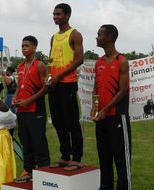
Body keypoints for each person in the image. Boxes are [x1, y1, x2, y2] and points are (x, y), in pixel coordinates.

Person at [91, 24, 131, 190]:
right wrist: (94, 107)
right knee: (104, 157)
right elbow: (95, 87)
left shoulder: (121, 61)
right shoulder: (98, 62)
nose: (96, 37)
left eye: (99, 35)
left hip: (116, 116)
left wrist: (105, 109)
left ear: (108, 37)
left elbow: (123, 90)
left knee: (121, 159)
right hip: (101, 117)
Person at [48, 3, 84, 171]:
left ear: (68, 15)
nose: (55, 17)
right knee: (58, 121)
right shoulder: (54, 37)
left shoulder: (74, 34)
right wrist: (49, 77)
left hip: (68, 83)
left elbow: (79, 59)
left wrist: (59, 76)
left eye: (59, 14)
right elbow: (51, 60)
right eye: (54, 14)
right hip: (54, 84)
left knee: (71, 122)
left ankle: (76, 157)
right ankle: (65, 155)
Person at [13, 35, 50, 182]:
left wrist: (28, 101)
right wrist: (15, 98)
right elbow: (19, 86)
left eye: (26, 46)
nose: (23, 48)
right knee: (25, 141)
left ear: (34, 48)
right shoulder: (20, 66)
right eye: (22, 46)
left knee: (38, 141)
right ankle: (28, 170)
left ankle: (44, 171)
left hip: (36, 110)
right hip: (22, 111)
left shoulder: (40, 65)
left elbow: (46, 88)